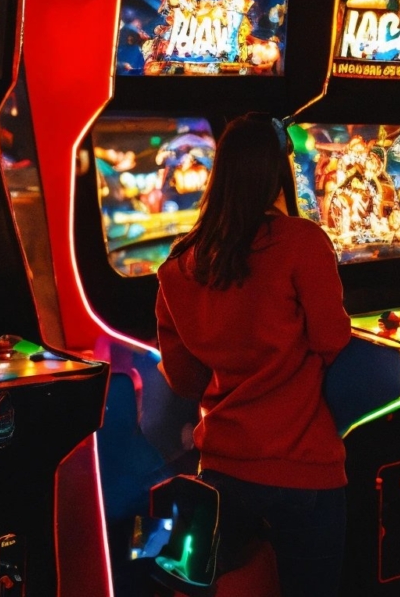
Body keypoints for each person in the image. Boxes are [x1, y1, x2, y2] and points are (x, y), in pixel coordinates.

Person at [155, 113, 352, 597]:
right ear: (278, 174)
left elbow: (184, 379)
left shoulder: (180, 266)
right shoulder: (302, 242)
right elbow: (332, 338)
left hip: (223, 472)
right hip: (304, 468)